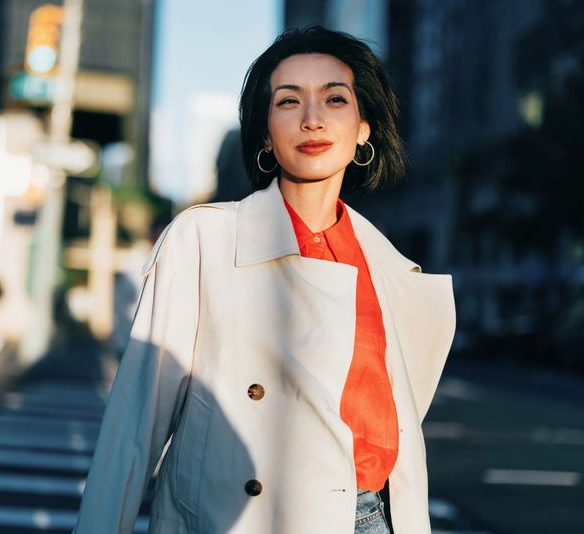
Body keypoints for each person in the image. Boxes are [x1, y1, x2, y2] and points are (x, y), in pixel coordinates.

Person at [74, 26, 456, 534]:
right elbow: (135, 423)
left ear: (364, 127)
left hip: (375, 518)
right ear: (267, 134)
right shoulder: (206, 239)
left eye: (335, 99)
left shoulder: (387, 266)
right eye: (288, 101)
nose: (313, 119)